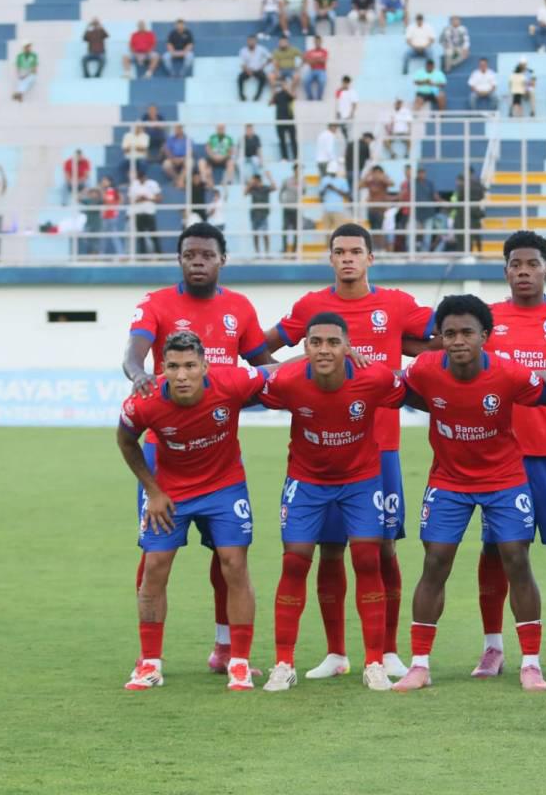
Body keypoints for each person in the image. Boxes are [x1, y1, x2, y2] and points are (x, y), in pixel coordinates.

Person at [263, 223, 437, 676]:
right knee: (329, 549)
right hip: (323, 448)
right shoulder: (311, 307)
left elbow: (446, 337)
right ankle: (337, 654)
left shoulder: (396, 304)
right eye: (339, 251)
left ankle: (388, 650)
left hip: (381, 448)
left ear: (370, 258)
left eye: (356, 252)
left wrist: (406, 350)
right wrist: (301, 381)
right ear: (330, 258)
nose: (347, 259)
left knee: (381, 549)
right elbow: (257, 350)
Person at [120, 223, 274, 681]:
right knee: (154, 556)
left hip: (221, 448)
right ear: (180, 260)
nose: (197, 262)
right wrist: (137, 375)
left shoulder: (239, 307)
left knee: (227, 557)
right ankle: (148, 656)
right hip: (162, 451)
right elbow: (133, 353)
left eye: (206, 254)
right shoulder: (156, 303)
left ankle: (227, 648)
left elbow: (265, 366)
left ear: (221, 259)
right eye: (189, 255)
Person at [388, 295, 546, 693]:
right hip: (449, 481)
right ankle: (420, 665)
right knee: (436, 562)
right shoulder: (426, 369)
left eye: (466, 333)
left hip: (504, 479)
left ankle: (531, 663)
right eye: (449, 333)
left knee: (516, 558)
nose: (458, 341)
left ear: (485, 337)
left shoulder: (510, 373)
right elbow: (396, 389)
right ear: (439, 337)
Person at [258, 313, 406, 692]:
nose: (324, 349)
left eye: (333, 342)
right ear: (305, 347)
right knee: (295, 561)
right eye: (316, 342)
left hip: (360, 481)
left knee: (368, 559)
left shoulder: (373, 378)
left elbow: (416, 389)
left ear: (347, 346)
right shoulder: (289, 381)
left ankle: (374, 662)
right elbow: (240, 391)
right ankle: (283, 663)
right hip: (307, 483)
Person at [468, 232, 546, 678]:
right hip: (500, 457)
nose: (523, 270)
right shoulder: (488, 319)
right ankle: (493, 646)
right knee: (498, 552)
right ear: (505, 271)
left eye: (532, 263)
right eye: (515, 264)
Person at [129, 167, 163, 256]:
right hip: (138, 213)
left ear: (145, 177)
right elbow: (129, 200)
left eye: (142, 177)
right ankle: (142, 255)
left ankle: (159, 254)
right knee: (140, 236)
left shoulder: (153, 184)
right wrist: (138, 199)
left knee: (153, 234)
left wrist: (148, 198)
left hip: (149, 212)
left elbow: (159, 198)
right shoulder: (134, 184)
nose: (141, 179)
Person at [361, 165, 394, 250]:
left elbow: (392, 183)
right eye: (375, 173)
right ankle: (375, 248)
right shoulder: (370, 182)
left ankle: (380, 249)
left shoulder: (384, 182)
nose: (376, 175)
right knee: (373, 229)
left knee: (379, 229)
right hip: (371, 209)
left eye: (378, 173)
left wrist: (383, 177)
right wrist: (368, 174)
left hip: (380, 210)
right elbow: (359, 185)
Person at [245, 171, 277, 256]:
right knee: (255, 235)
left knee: (265, 234)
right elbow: (245, 193)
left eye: (254, 180)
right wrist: (250, 184)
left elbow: (275, 188)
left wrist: (269, 177)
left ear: (258, 180)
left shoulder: (265, 188)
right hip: (254, 214)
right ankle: (257, 254)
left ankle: (267, 253)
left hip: (264, 214)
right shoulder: (252, 188)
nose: (253, 182)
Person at [318, 162, 350, 232]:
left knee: (339, 231)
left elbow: (347, 195)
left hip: (338, 209)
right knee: (327, 232)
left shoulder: (342, 180)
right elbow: (320, 195)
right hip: (327, 209)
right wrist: (326, 188)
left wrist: (334, 188)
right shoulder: (324, 180)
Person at [272, 78, 298, 161]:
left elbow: (294, 97)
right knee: (281, 139)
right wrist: (274, 92)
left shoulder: (289, 93)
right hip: (279, 119)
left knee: (293, 139)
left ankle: (296, 157)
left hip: (290, 119)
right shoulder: (278, 94)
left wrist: (287, 89)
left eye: (284, 84)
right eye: (282, 84)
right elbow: (270, 102)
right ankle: (284, 157)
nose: (283, 86)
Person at [280, 164, 302, 255]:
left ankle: (294, 251)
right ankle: (285, 250)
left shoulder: (302, 181)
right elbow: (281, 191)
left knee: (296, 230)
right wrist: (282, 202)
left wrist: (299, 184)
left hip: (296, 208)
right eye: (297, 169)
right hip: (287, 207)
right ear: (294, 170)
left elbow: (304, 191)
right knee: (285, 229)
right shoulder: (287, 180)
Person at [101, 175, 124, 256]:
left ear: (109, 182)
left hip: (111, 216)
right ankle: (101, 255)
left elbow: (109, 201)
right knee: (103, 237)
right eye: (103, 181)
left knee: (113, 236)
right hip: (105, 216)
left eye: (105, 181)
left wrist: (116, 209)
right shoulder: (105, 191)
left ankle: (121, 254)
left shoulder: (111, 190)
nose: (103, 182)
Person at [303, 35, 330, 100]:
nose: (317, 43)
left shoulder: (324, 51)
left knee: (322, 81)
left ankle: (319, 98)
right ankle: (310, 97)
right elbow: (308, 62)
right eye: (316, 41)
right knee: (305, 80)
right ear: (314, 42)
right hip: (312, 70)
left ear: (321, 42)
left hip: (322, 70)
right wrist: (318, 59)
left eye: (319, 41)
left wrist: (313, 60)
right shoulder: (310, 52)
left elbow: (324, 61)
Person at [335, 75, 358, 139]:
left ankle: (349, 146)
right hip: (341, 115)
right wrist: (337, 113)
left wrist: (351, 114)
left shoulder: (352, 92)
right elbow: (337, 102)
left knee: (349, 133)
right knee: (343, 132)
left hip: (348, 116)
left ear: (349, 83)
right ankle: (347, 146)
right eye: (344, 82)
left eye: (347, 83)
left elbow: (354, 104)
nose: (345, 84)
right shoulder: (339, 91)